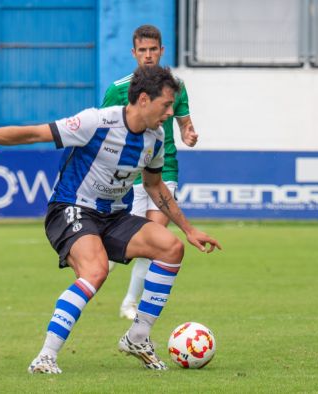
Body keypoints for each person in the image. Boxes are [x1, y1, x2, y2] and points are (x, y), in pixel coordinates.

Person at [0, 65, 221, 373]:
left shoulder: (155, 139)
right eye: (166, 104)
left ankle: (138, 336)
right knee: (96, 271)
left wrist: (188, 229)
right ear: (144, 99)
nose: (170, 112)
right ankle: (46, 356)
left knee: (171, 248)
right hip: (71, 208)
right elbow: (34, 133)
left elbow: (154, 186)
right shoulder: (96, 121)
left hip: (114, 216)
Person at [101, 25, 200, 320]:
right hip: (127, 173)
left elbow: (184, 123)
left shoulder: (176, 86)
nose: (147, 55)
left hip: (163, 167)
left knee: (155, 234)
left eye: (152, 49)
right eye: (142, 50)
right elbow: (101, 130)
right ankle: (100, 264)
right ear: (134, 53)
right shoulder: (119, 89)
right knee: (123, 237)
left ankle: (130, 302)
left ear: (161, 50)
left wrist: (188, 133)